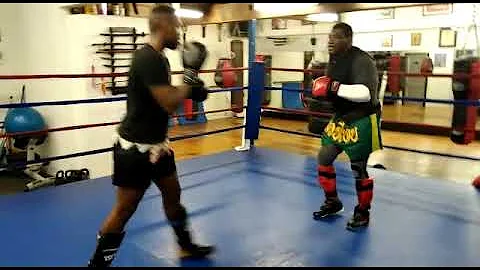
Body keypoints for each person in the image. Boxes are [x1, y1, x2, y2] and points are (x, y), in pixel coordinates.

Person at [87, 4, 214, 267]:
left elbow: (165, 97)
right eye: (177, 27)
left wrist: (189, 80)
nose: (179, 33)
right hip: (134, 149)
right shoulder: (146, 58)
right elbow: (168, 101)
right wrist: (190, 89)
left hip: (158, 146)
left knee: (173, 196)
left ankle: (186, 245)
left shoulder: (161, 59)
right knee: (124, 210)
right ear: (164, 26)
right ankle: (97, 264)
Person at [310, 22, 382, 231]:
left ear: (349, 39)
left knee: (358, 168)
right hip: (341, 117)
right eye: (330, 36)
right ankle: (333, 202)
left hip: (362, 119)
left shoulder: (362, 60)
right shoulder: (334, 60)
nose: (330, 40)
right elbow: (333, 89)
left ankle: (362, 211)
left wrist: (334, 87)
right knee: (324, 157)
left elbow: (365, 93)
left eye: (337, 37)